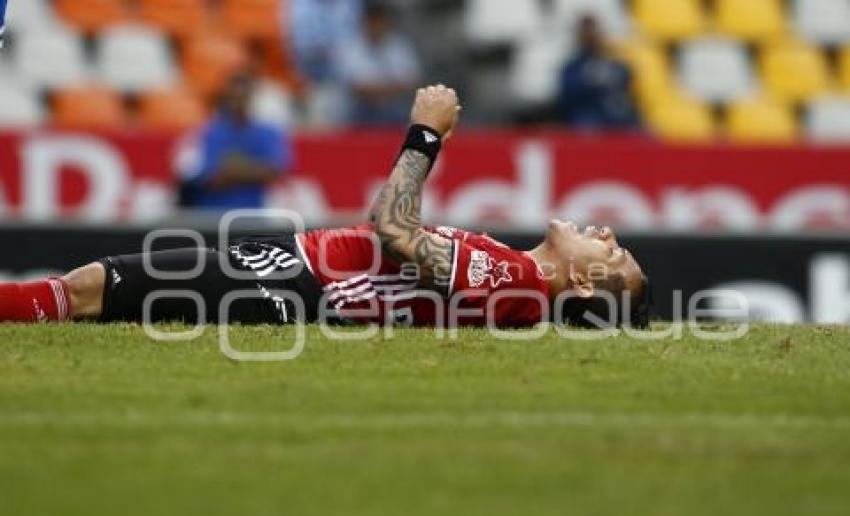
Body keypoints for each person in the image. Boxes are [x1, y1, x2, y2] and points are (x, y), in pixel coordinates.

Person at [0, 85, 649, 329]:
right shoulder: (515, 273)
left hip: (306, 283)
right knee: (96, 292)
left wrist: (423, 136)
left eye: (611, 250)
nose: (607, 230)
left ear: (587, 281)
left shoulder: (518, 281)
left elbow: (394, 234)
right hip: (297, 263)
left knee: (92, 288)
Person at [182, 71, 292, 211]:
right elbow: (213, 178)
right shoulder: (210, 132)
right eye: (234, 97)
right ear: (226, 98)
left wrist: (233, 165)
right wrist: (256, 168)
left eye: (243, 97)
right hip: (213, 215)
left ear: (251, 97)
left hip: (252, 215)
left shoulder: (268, 132)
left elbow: (275, 172)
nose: (238, 102)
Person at [337, 0, 421, 125]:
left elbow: (411, 82)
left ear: (387, 23)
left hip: (394, 106)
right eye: (373, 22)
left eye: (380, 22)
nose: (377, 26)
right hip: (361, 108)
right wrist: (388, 89)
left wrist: (381, 91)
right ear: (365, 23)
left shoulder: (399, 46)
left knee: (409, 113)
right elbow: (357, 88)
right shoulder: (351, 48)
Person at [558, 14, 640, 130]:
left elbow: (628, 79)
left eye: (594, 32)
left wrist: (610, 75)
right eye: (586, 33)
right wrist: (590, 81)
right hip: (589, 123)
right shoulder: (572, 67)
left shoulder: (615, 64)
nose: (591, 37)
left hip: (619, 121)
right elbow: (568, 97)